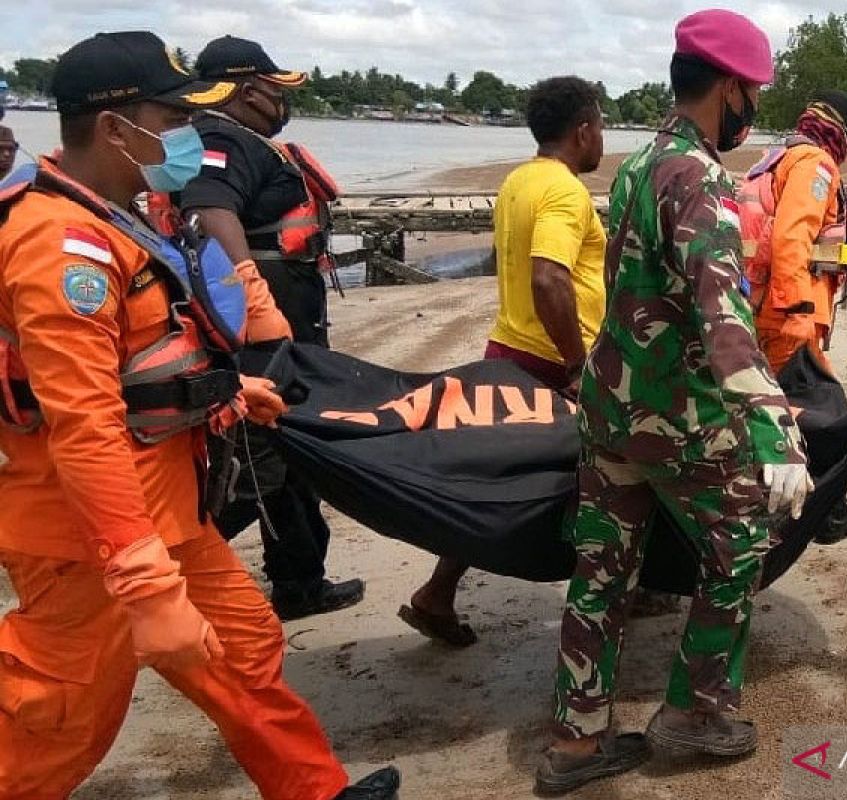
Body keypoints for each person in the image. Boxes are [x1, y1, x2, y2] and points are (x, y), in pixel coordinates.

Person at [0, 32, 398, 799]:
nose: (188, 132)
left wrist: (225, 393)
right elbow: (82, 424)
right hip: (93, 545)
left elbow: (143, 365)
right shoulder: (62, 247)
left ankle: (316, 792)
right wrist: (145, 586)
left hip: (168, 512)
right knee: (57, 720)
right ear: (116, 128)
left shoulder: (119, 219)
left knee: (245, 650)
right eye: (173, 116)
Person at [536, 10, 812, 794]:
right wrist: (774, 427)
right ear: (728, 89)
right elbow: (721, 309)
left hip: (610, 409)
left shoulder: (637, 161)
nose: (753, 108)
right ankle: (695, 711)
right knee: (740, 548)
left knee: (600, 576)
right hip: (677, 421)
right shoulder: (702, 180)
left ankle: (576, 743)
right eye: (752, 93)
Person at [402, 76, 606, 647]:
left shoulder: (518, 180)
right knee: (601, 476)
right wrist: (576, 364)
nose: (602, 139)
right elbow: (548, 276)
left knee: (500, 477)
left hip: (508, 347)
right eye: (600, 127)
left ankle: (437, 593)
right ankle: (617, 593)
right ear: (583, 130)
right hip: (550, 360)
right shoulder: (565, 192)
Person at [178, 35, 364, 622]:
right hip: (259, 343)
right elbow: (208, 209)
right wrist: (252, 302)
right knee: (257, 465)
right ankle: (171, 569)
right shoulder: (219, 141)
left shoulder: (252, 143)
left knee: (293, 453)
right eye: (277, 90)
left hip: (288, 337)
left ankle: (301, 582)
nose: (284, 102)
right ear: (249, 91)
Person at [746, 90, 847, 545]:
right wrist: (798, 310)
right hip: (787, 317)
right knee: (829, 415)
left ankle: (766, 497)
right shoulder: (816, 166)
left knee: (768, 411)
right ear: (840, 130)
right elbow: (791, 238)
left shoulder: (776, 157)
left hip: (759, 308)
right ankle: (829, 513)